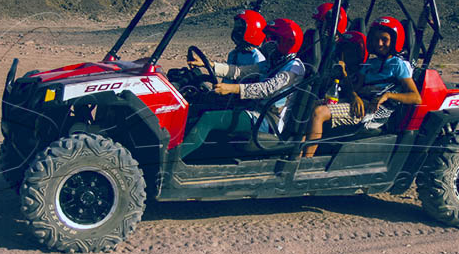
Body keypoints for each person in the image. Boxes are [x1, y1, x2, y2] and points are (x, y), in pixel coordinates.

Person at [181, 18, 305, 158]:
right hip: (254, 111)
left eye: (275, 39)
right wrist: (209, 64)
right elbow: (240, 71)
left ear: (287, 42)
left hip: (268, 121)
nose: (270, 43)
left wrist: (233, 88)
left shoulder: (294, 67)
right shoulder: (274, 62)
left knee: (209, 119)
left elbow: (267, 88)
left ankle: (173, 162)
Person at [303, 17, 422, 157]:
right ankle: (296, 152)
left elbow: (415, 97)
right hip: (360, 105)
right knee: (311, 105)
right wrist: (348, 83)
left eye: (384, 39)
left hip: (373, 111)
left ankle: (306, 161)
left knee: (319, 112)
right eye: (376, 39)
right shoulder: (370, 64)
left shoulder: (398, 65)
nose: (379, 43)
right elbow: (355, 88)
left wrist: (387, 95)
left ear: (394, 41)